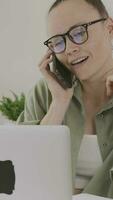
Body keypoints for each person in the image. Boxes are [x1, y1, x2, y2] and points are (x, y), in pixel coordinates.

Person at [17, 0, 113, 198]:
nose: (69, 49)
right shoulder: (46, 92)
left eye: (79, 33)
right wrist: (59, 103)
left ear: (110, 28)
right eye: (58, 42)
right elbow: (22, 170)